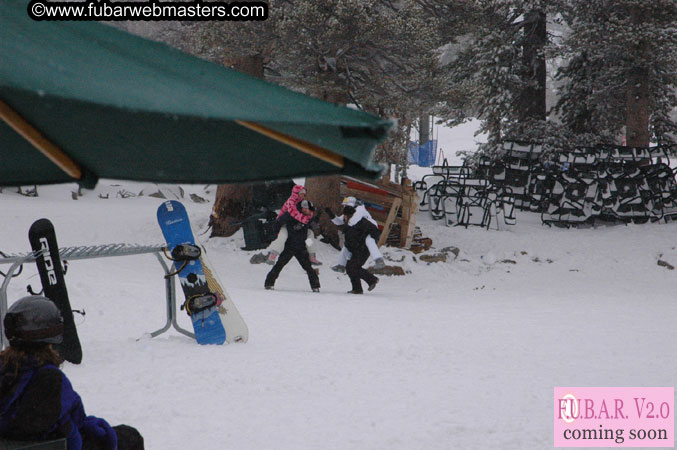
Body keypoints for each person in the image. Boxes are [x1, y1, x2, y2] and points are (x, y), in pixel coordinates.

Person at [0, 296, 144, 450]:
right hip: (54, 443)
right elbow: (70, 425)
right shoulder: (48, 378)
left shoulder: (6, 368)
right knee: (130, 438)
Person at [264, 200, 321, 293]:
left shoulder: (309, 217)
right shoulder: (291, 214)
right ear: (302, 208)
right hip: (290, 245)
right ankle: (269, 283)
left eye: (309, 210)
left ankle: (315, 286)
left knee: (308, 267)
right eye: (306, 209)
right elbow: (278, 222)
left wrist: (314, 224)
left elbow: (313, 226)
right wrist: (277, 232)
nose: (308, 211)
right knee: (280, 264)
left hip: (301, 246)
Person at [325, 197, 385, 273]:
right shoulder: (349, 212)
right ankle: (341, 265)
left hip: (370, 229)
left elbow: (353, 221)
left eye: (346, 205)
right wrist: (331, 215)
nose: (344, 207)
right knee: (346, 245)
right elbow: (339, 221)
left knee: (369, 241)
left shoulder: (360, 209)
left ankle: (379, 260)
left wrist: (346, 226)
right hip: (359, 231)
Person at [266, 185, 322, 266]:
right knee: (282, 235)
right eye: (301, 193)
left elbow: (309, 216)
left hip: (299, 229)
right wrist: (276, 230)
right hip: (286, 225)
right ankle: (273, 254)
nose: (302, 195)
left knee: (310, 236)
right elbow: (282, 219)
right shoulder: (291, 205)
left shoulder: (303, 206)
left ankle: (312, 255)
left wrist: (312, 222)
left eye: (304, 194)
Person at [341, 205, 380, 294]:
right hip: (355, 250)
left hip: (363, 249)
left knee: (353, 267)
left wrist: (371, 241)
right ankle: (357, 288)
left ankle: (372, 280)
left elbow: (375, 231)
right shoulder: (349, 224)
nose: (344, 217)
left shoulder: (361, 222)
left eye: (345, 215)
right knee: (350, 267)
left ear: (349, 215)